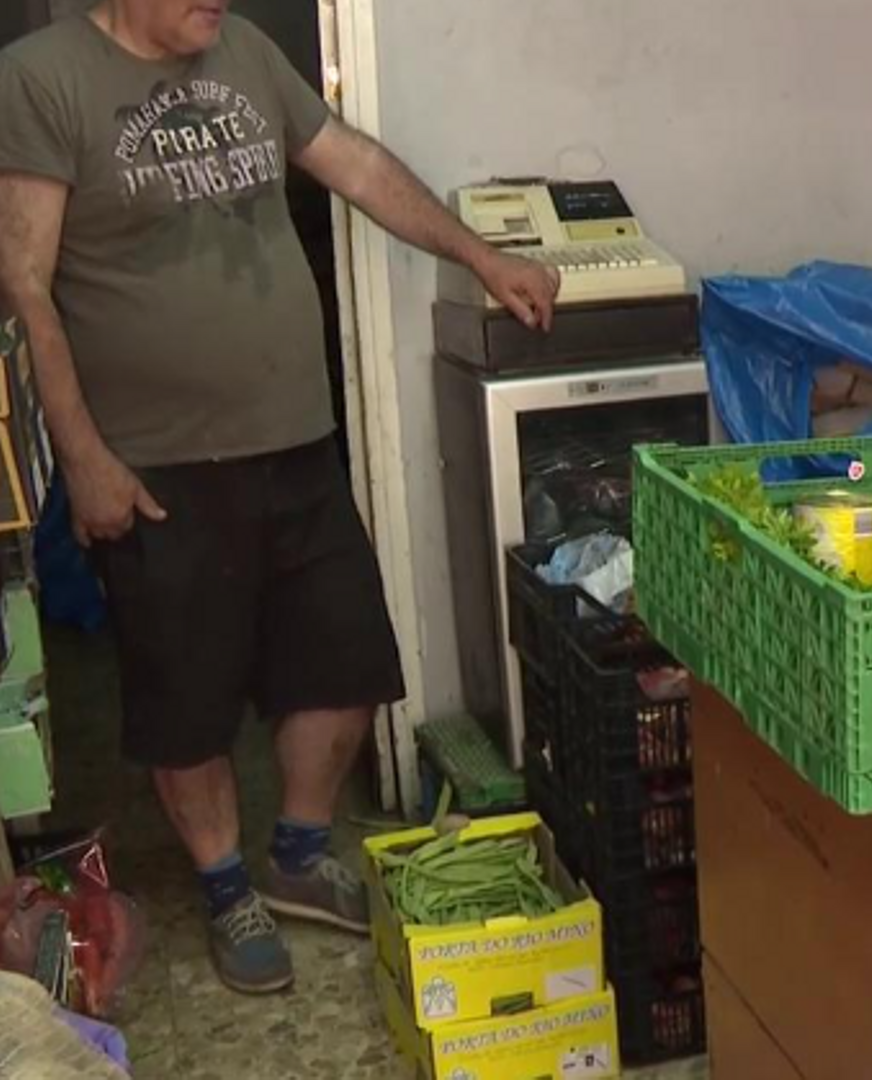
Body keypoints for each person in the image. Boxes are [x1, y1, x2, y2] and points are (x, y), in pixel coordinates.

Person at [0, 0, 558, 994]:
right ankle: (227, 888)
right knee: (186, 702)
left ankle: (297, 855)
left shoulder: (243, 49)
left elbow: (359, 167)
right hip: (158, 466)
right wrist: (82, 457)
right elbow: (27, 284)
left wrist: (483, 256)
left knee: (345, 659)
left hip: (296, 439)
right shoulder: (44, 78)